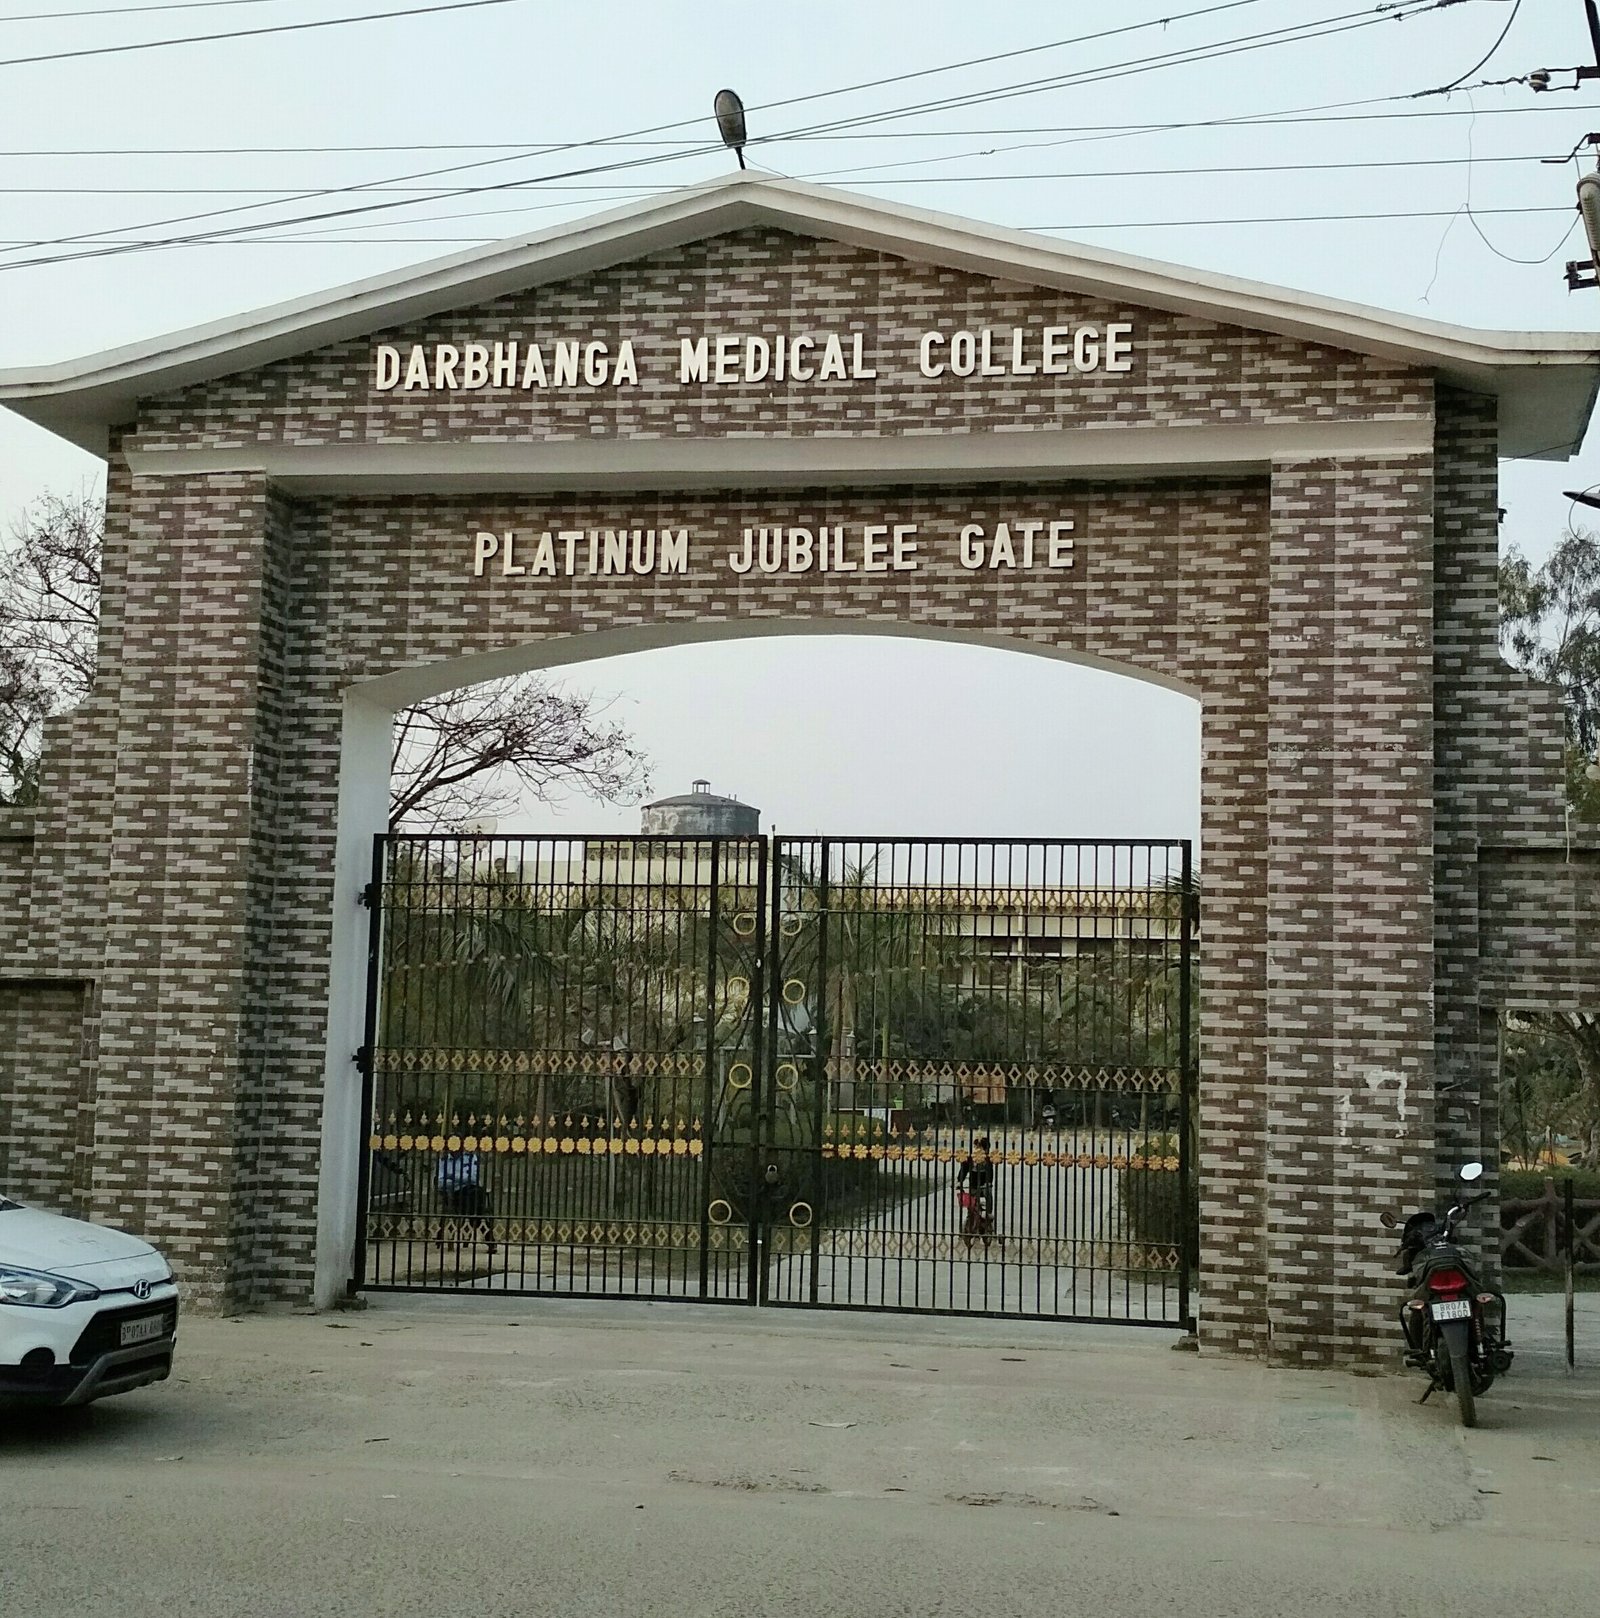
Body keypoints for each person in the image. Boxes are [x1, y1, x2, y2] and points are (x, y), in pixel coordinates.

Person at [956, 1135, 997, 1246]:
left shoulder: (987, 1160)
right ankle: (968, 1226)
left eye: (980, 1147)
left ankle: (988, 1215)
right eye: (976, 1147)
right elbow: (963, 1170)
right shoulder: (970, 1158)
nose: (977, 1149)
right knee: (971, 1207)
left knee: (988, 1194)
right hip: (973, 1186)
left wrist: (988, 1183)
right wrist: (959, 1181)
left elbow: (990, 1172)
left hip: (984, 1185)